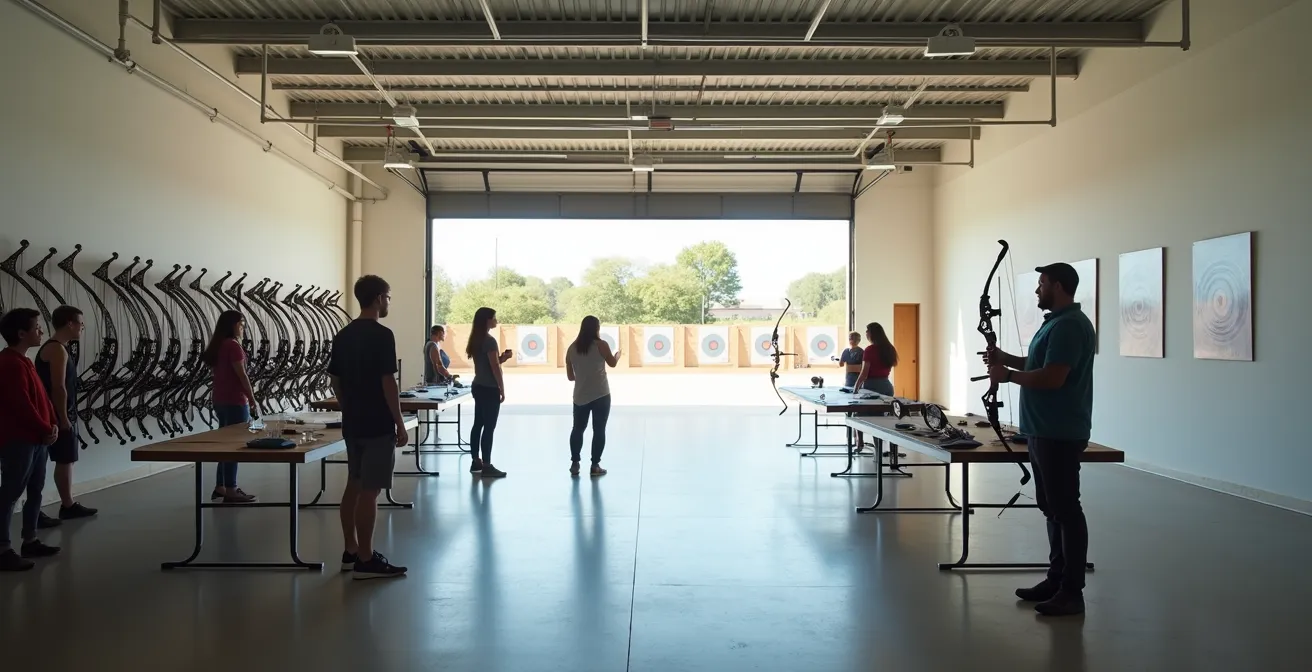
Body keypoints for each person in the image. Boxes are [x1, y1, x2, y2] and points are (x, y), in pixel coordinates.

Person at [986, 262, 1095, 617]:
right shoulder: (1056, 324)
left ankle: (1071, 591)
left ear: (1059, 287)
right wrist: (1006, 360)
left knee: (1065, 509)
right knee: (1052, 508)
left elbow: (1052, 378)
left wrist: (1009, 376)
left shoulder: (1069, 327)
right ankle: (1056, 579)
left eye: (1042, 284)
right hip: (1042, 430)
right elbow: (1038, 363)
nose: (1037, 290)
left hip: (1058, 431)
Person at [328, 274, 408, 579]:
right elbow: (388, 381)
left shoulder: (343, 335)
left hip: (354, 421)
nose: (388, 302)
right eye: (387, 297)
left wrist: (348, 407)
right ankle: (365, 558)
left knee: (354, 484)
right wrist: (399, 422)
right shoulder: (382, 335)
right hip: (377, 423)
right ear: (378, 298)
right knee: (370, 491)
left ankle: (350, 550)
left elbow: (335, 380)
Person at [0, 308, 62, 571]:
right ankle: (3, 548)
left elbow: (42, 398)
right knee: (11, 493)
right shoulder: (10, 363)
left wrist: (53, 424)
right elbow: (22, 405)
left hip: (37, 438)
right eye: (36, 327)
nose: (41, 331)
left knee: (35, 489)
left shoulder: (25, 360)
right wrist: (45, 428)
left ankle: (30, 539)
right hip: (20, 440)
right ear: (21, 333)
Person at [36, 305, 97, 522]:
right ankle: (64, 506)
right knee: (63, 459)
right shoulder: (56, 349)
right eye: (80, 323)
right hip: (58, 414)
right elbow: (58, 387)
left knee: (66, 459)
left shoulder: (58, 348)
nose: (82, 327)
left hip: (59, 413)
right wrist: (63, 418)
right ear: (70, 323)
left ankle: (65, 504)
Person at [202, 310, 259, 504]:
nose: (243, 328)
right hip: (235, 400)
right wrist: (252, 398)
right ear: (233, 325)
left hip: (220, 400)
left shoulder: (220, 345)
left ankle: (221, 486)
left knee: (225, 445)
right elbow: (242, 375)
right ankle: (231, 488)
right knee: (234, 446)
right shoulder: (234, 346)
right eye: (241, 324)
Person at [565, 316, 621, 477]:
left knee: (577, 429)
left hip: (580, 395)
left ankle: (575, 463)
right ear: (596, 328)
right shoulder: (601, 345)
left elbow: (570, 377)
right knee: (599, 430)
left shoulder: (572, 348)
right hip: (601, 394)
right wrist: (617, 356)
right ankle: (595, 465)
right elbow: (612, 363)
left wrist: (583, 375)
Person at [466, 306, 512, 478]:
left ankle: (476, 461)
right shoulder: (490, 341)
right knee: (489, 427)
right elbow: (494, 367)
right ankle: (487, 465)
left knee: (478, 423)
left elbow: (490, 363)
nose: (496, 321)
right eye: (494, 318)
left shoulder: (476, 339)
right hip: (489, 388)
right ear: (487, 320)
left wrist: (503, 359)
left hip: (478, 385)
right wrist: (502, 388)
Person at [852, 322, 899, 452]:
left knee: (858, 414)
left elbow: (864, 373)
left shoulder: (870, 350)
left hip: (871, 387)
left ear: (872, 333)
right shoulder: (890, 349)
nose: (866, 333)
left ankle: (859, 444)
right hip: (886, 386)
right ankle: (881, 448)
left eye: (867, 331)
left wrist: (855, 389)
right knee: (881, 418)